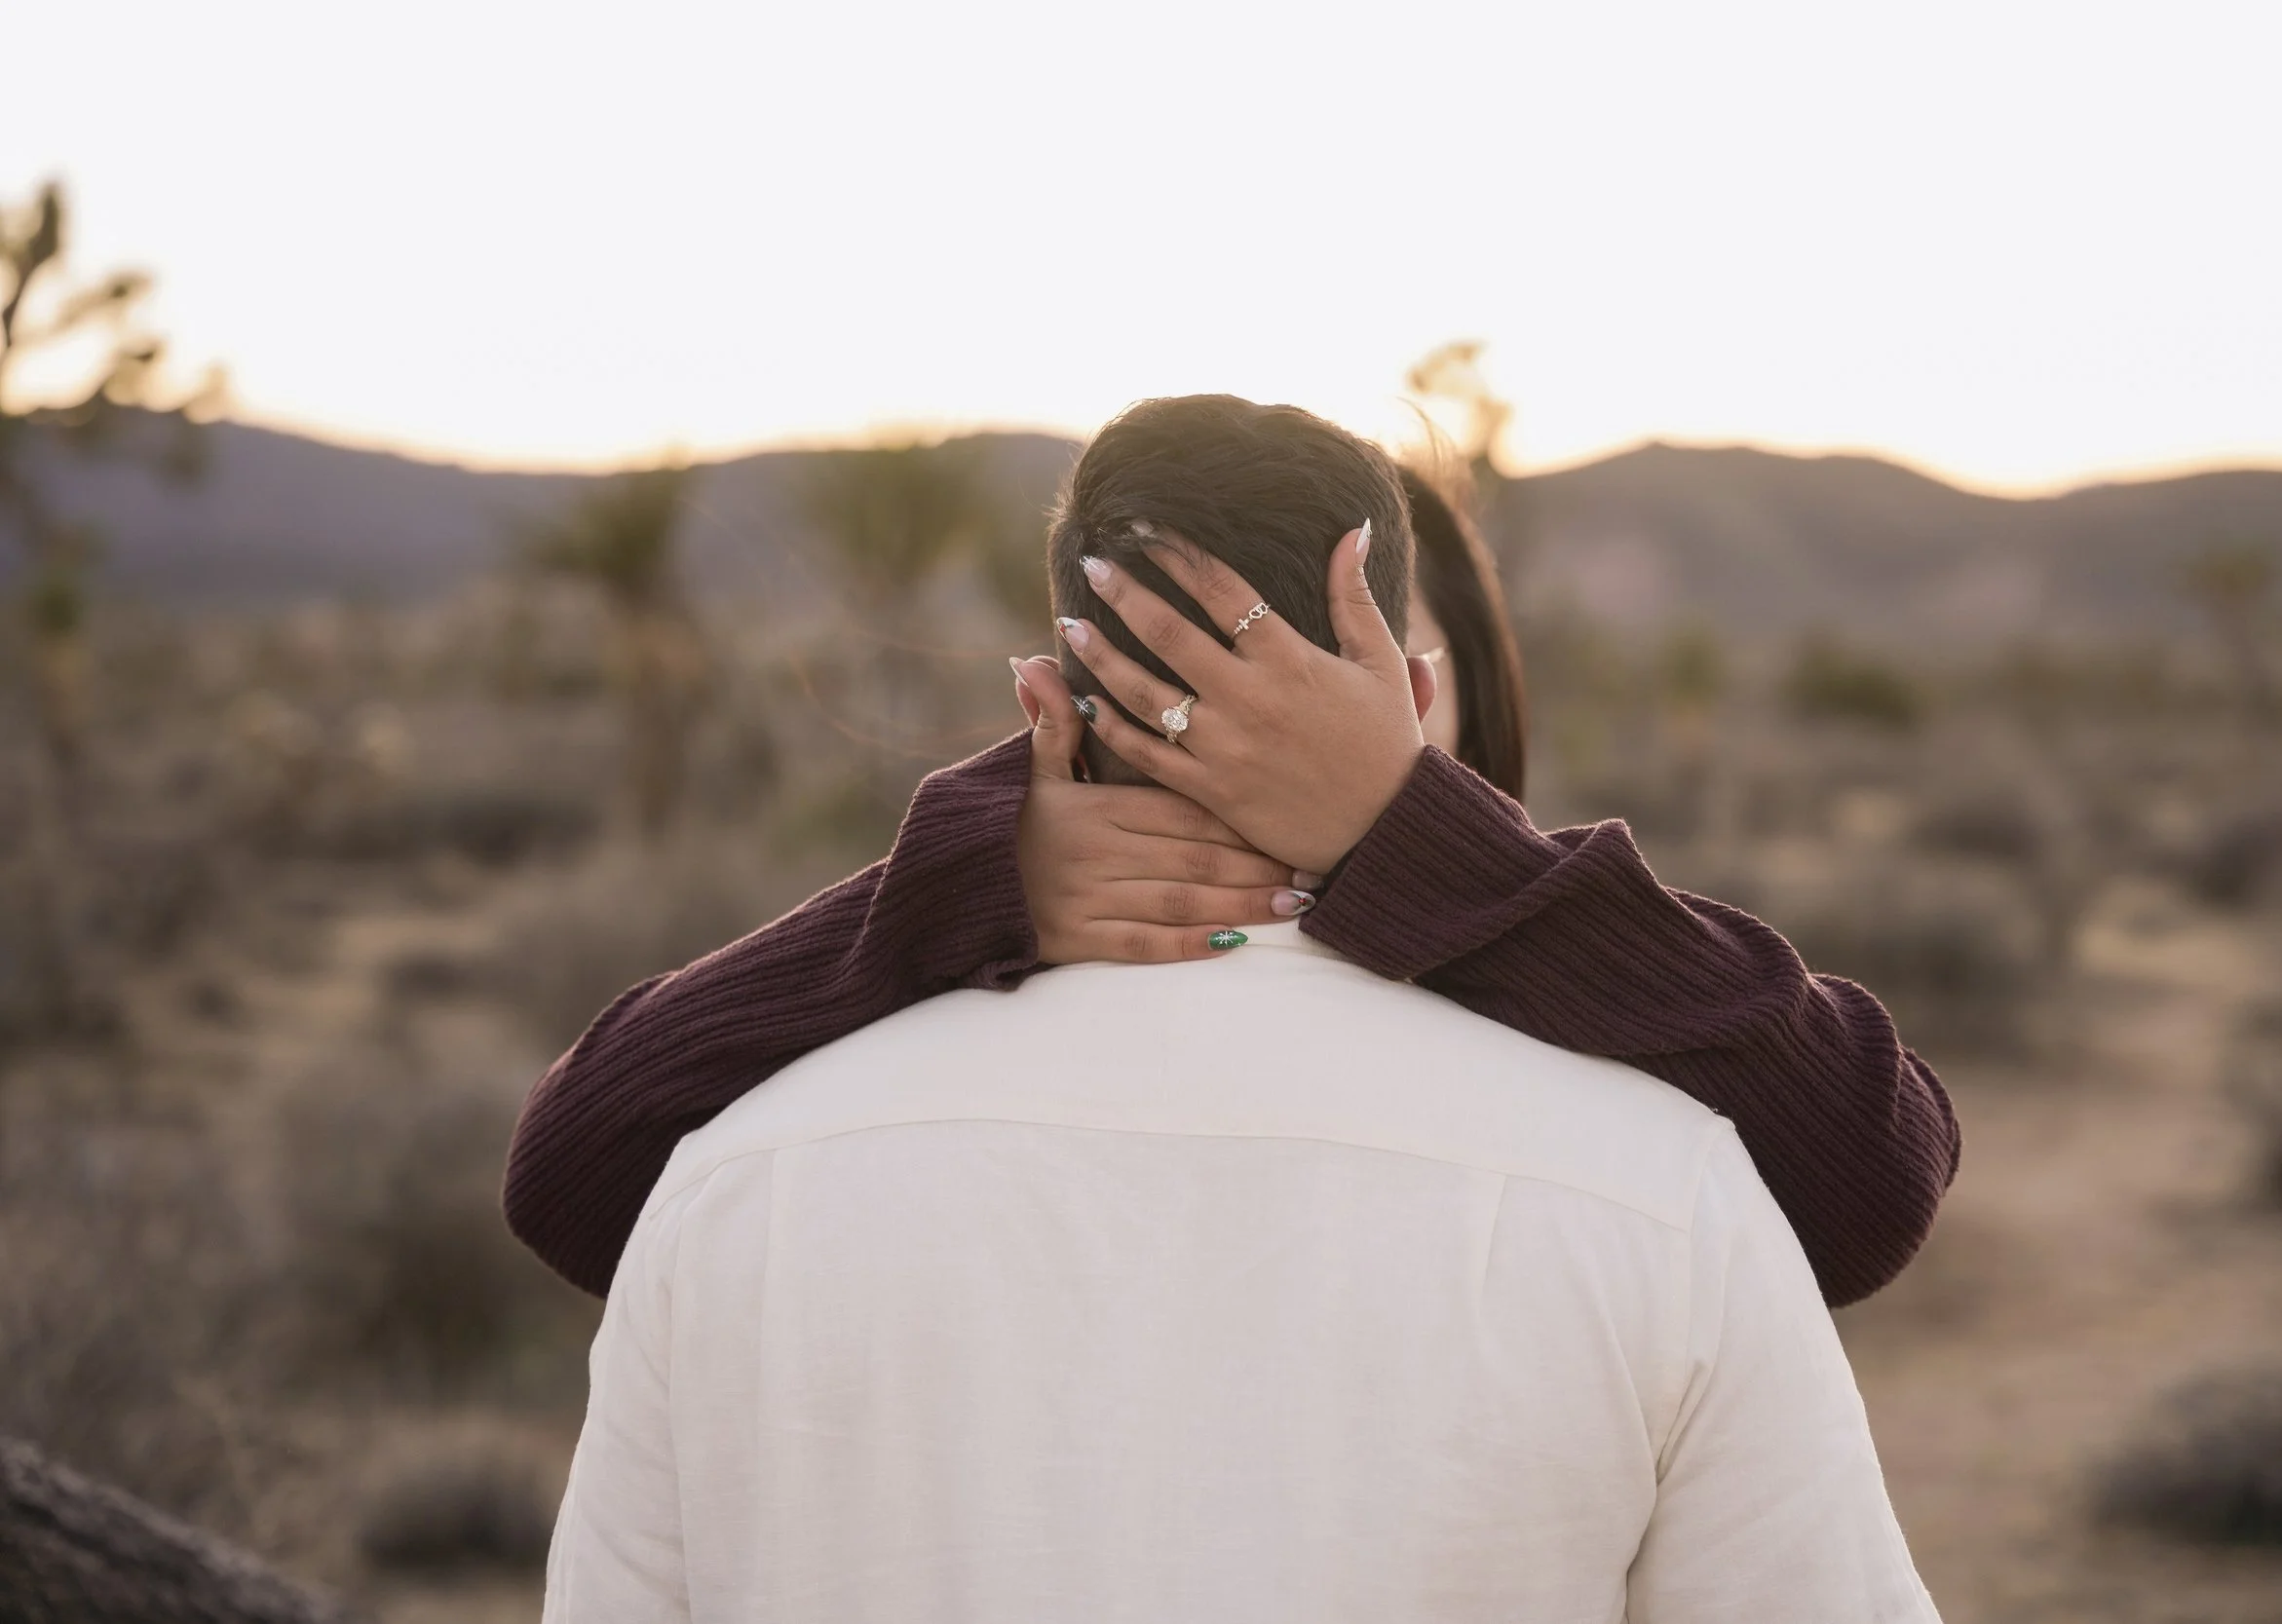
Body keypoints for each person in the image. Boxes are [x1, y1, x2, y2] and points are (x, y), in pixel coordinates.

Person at [543, 396, 1940, 1620]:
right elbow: (1874, 1165)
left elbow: (581, 1169)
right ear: (1420, 693)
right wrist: (975, 886)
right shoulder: (1666, 1190)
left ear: (1044, 694)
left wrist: (969, 872)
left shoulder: (738, 1182)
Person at [504, 446, 1958, 1317]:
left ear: (1435, 692)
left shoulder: (1580, 994)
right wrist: (963, 886)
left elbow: (1872, 1168)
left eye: (1329, 686)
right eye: (1201, 676)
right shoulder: (1001, 953)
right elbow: (574, 1170)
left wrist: (1422, 842)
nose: (1262, 732)